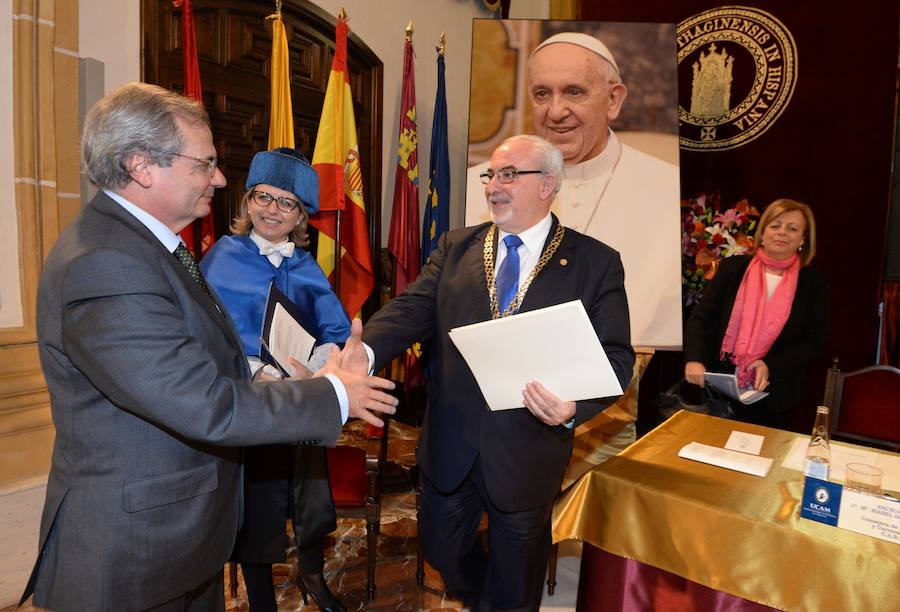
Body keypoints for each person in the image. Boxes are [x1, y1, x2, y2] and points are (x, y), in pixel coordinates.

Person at [20, 82, 396, 611]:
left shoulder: (151, 248)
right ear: (142, 166)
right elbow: (203, 403)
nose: (220, 179)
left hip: (178, 540)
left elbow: (194, 367)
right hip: (134, 555)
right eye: (205, 164)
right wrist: (334, 395)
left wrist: (307, 371)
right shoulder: (106, 264)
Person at [362, 134, 634, 610]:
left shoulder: (595, 263)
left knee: (518, 580)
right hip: (451, 445)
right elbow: (409, 310)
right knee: (445, 551)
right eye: (491, 175)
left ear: (547, 184)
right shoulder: (455, 246)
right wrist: (362, 353)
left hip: (528, 452)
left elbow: (616, 359)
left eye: (509, 174)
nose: (494, 186)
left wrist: (572, 408)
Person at [466, 31, 680, 461]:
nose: (556, 111)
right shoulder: (483, 184)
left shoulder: (662, 184)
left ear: (614, 100)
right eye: (542, 93)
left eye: (574, 92)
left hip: (605, 415)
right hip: (502, 414)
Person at [201, 148, 348, 612]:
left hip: (301, 402)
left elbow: (337, 333)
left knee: (311, 498)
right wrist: (254, 370)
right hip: (250, 405)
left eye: (287, 203)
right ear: (247, 201)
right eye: (264, 196)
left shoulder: (305, 266)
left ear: (302, 215)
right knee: (259, 508)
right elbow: (203, 334)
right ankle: (262, 599)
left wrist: (320, 366)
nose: (272, 209)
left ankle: (313, 575)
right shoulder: (222, 258)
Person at [684, 198, 828, 428]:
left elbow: (813, 341)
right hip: (720, 392)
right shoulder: (732, 269)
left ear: (802, 240)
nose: (782, 233)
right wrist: (694, 358)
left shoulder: (813, 283)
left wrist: (770, 365)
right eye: (775, 225)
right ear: (762, 233)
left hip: (775, 397)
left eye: (792, 228)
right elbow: (702, 318)